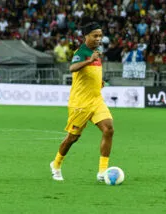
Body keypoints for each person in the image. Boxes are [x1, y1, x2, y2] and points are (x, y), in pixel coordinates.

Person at [50, 22, 114, 182]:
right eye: (95, 35)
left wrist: (99, 81)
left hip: (96, 100)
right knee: (72, 138)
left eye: (100, 35)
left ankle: (102, 172)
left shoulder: (96, 53)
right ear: (86, 36)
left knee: (109, 129)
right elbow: (73, 68)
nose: (99, 38)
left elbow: (92, 72)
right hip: (80, 103)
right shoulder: (82, 52)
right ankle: (56, 164)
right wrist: (90, 60)